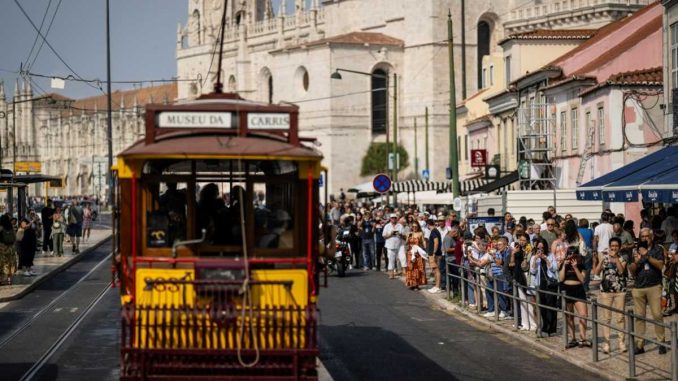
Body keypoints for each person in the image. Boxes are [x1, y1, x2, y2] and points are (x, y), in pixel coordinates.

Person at [629, 229, 667, 354]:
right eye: (642, 236)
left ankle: (661, 342)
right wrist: (637, 261)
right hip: (639, 287)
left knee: (657, 314)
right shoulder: (635, 250)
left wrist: (647, 255)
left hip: (654, 286)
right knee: (639, 317)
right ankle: (640, 345)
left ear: (652, 237)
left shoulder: (658, 249)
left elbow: (661, 266)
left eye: (647, 236)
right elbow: (632, 270)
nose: (645, 238)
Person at [593, 237, 627, 354]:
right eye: (612, 246)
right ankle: (606, 343)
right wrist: (601, 260)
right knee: (606, 318)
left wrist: (616, 258)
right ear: (609, 246)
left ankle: (621, 342)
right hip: (606, 291)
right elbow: (596, 273)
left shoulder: (623, 257)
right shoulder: (604, 257)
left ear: (620, 247)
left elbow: (621, 271)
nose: (614, 248)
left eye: (616, 246)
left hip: (619, 290)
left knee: (620, 318)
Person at [559, 246, 590, 348]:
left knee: (583, 314)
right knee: (569, 316)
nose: (571, 257)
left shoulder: (581, 264)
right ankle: (573, 338)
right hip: (567, 290)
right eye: (569, 254)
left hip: (578, 290)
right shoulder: (564, 263)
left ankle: (583, 338)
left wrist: (576, 267)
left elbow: (582, 280)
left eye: (573, 255)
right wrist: (564, 265)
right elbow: (561, 278)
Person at [531, 237, 559, 337]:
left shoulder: (551, 255)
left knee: (551, 306)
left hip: (550, 284)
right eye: (539, 248)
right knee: (542, 307)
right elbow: (532, 271)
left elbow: (554, 268)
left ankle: (549, 329)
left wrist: (546, 259)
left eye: (542, 248)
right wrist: (535, 259)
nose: (540, 250)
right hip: (540, 284)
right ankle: (545, 326)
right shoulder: (534, 257)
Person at [405, 222, 427, 290]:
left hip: (417, 253)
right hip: (410, 253)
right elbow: (406, 243)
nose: (414, 228)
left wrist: (425, 249)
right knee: (411, 268)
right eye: (413, 226)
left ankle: (417, 284)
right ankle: (411, 283)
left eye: (416, 226)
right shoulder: (409, 233)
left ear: (418, 227)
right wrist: (408, 236)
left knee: (418, 267)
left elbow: (423, 242)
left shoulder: (420, 233)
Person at [383, 214, 403, 279]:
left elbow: (404, 236)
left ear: (396, 218)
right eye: (392, 218)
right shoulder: (387, 226)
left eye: (395, 218)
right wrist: (390, 234)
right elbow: (384, 236)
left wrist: (399, 234)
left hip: (399, 245)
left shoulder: (400, 225)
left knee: (402, 259)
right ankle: (391, 274)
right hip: (390, 245)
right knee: (391, 260)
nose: (393, 219)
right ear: (390, 219)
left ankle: (401, 271)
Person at [427, 217, 443, 293]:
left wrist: (434, 252)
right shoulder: (436, 231)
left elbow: (436, 242)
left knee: (436, 270)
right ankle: (436, 286)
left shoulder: (433, 231)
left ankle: (437, 286)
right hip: (435, 253)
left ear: (428, 225)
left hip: (434, 254)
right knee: (434, 270)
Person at [0, 214, 16, 285]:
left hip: (2, 248)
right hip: (10, 248)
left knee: (2, 264)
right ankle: (9, 279)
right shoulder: (11, 227)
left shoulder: (1, 227)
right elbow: (14, 237)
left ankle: (1, 279)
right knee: (10, 263)